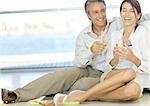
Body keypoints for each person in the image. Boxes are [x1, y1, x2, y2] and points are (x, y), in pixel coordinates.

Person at [1, 0, 150, 104]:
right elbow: (78, 62)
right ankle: (17, 94)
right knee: (60, 76)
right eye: (95, 12)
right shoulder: (83, 35)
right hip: (86, 69)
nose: (100, 15)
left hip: (107, 73)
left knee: (81, 85)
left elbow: (139, 17)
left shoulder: (118, 23)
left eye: (103, 11)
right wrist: (91, 50)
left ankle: (56, 98)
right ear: (88, 15)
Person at [56, 0, 150, 104]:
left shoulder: (143, 33)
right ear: (120, 14)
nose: (127, 14)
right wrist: (115, 58)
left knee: (134, 90)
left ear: (138, 15)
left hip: (136, 77)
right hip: (113, 75)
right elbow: (110, 64)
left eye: (132, 11)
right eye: (124, 10)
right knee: (129, 72)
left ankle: (85, 96)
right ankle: (83, 96)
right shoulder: (115, 35)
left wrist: (132, 58)